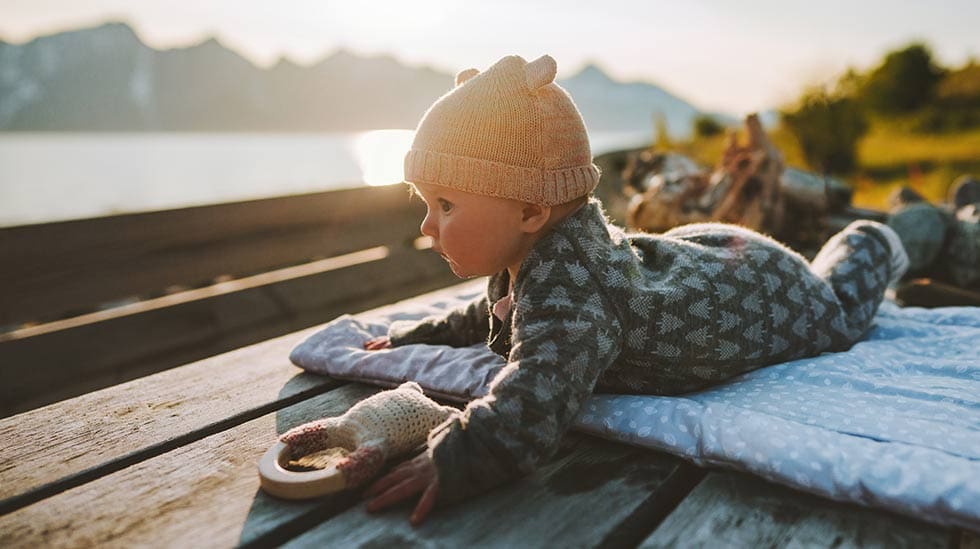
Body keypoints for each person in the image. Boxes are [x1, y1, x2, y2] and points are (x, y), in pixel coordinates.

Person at [282, 54, 909, 525]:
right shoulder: (531, 256)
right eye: (425, 204)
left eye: (445, 205)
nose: (427, 227)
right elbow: (493, 312)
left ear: (531, 209)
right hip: (712, 262)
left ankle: (884, 235)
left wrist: (463, 454)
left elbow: (536, 399)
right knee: (665, 256)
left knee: (844, 301)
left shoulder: (574, 292)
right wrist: (418, 334)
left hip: (779, 296)